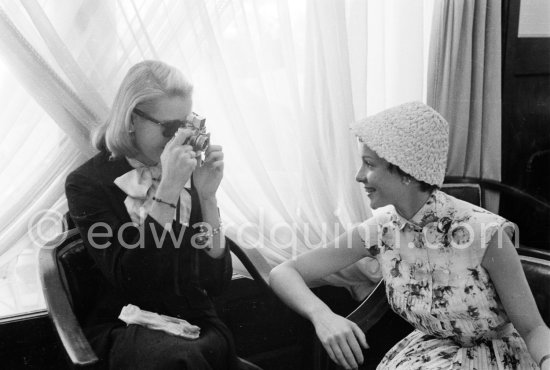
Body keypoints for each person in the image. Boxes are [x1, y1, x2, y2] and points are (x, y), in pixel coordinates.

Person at [269, 101, 550, 370]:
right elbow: (284, 272)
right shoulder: (380, 230)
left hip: (495, 361)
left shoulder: (485, 234)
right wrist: (323, 316)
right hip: (424, 356)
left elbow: (534, 328)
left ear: (406, 172)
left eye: (369, 164)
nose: (358, 176)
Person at [65, 60, 238, 369]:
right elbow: (132, 282)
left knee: (195, 354)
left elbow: (217, 283)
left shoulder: (186, 171)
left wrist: (208, 198)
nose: (179, 140)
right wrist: (167, 191)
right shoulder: (88, 183)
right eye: (170, 128)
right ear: (132, 119)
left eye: (187, 127)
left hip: (194, 325)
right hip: (127, 327)